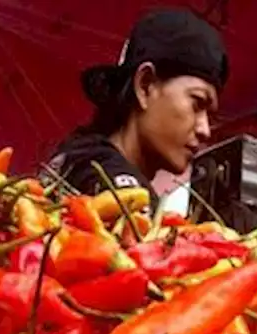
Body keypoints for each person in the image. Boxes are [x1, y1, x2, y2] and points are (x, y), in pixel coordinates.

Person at [41, 9, 228, 213]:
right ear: (145, 86)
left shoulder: (81, 159)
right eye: (197, 103)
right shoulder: (98, 175)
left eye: (210, 116)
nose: (205, 130)